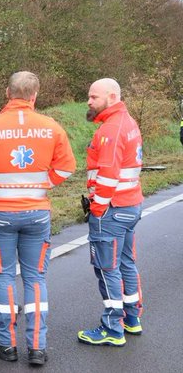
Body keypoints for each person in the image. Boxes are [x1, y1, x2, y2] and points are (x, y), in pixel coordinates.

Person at [0, 71, 76, 366]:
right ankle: (37, 347)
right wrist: (43, 184)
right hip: (37, 213)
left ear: (8, 93)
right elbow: (67, 168)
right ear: (35, 96)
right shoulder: (51, 127)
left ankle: (6, 344)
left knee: (4, 277)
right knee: (36, 278)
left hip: (0, 214)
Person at [77, 78, 144, 347]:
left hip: (111, 209)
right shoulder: (126, 122)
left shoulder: (111, 129)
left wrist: (97, 209)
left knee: (106, 268)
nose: (89, 101)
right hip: (130, 205)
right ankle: (132, 318)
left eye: (94, 97)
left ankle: (112, 328)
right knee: (126, 263)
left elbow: (107, 175)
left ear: (112, 96)